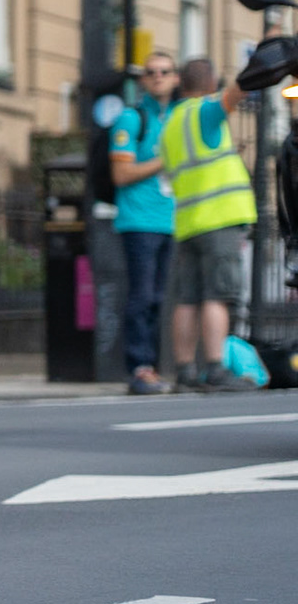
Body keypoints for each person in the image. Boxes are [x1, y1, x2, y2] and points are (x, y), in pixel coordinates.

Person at [158, 55, 260, 394]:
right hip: (219, 220)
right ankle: (215, 368)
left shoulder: (171, 122)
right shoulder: (205, 111)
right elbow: (240, 90)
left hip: (187, 223)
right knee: (217, 295)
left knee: (187, 298)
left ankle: (185, 371)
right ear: (211, 84)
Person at [109, 52, 177, 395]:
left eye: (165, 71)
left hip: (171, 220)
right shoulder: (131, 119)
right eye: (150, 73)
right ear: (142, 81)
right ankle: (139, 366)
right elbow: (121, 173)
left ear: (176, 77)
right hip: (139, 221)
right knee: (142, 296)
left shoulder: (178, 118)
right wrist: (164, 160)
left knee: (159, 297)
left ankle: (153, 365)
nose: (158, 77)